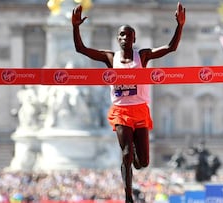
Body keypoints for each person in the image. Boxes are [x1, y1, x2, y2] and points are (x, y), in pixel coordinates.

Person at [71, 3, 185, 202]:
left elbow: (170, 48)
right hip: (121, 111)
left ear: (134, 39)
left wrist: (180, 25)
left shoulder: (142, 56)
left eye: (128, 35)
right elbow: (81, 49)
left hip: (140, 111)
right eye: (121, 35)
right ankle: (128, 195)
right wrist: (75, 27)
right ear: (118, 39)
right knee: (125, 154)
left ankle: (132, 152)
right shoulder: (110, 57)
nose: (125, 38)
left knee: (143, 162)